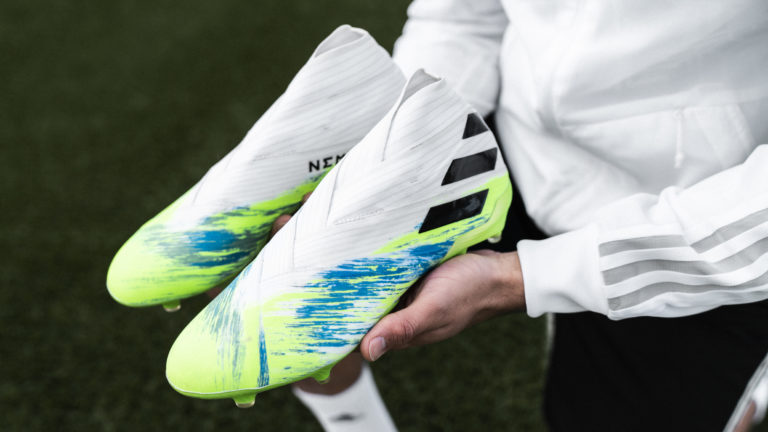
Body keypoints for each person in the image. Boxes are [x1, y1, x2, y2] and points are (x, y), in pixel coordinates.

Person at [278, 1, 768, 431]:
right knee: (293, 278)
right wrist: (397, 156)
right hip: (517, 146)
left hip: (700, 219)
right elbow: (462, 18)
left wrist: (522, 278)